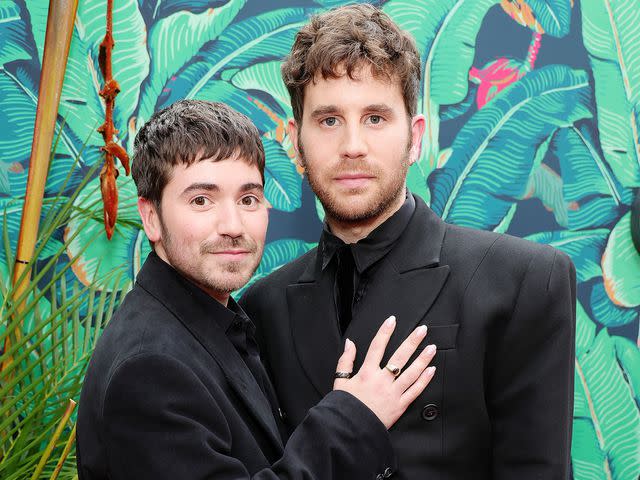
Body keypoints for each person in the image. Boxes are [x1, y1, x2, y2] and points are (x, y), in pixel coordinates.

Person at [240, 4, 577, 479]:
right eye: (329, 120)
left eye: (375, 118)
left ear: (415, 137)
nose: (352, 145)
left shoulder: (522, 282)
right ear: (296, 141)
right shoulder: (263, 308)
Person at [75, 100, 438, 480]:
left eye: (248, 199)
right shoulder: (149, 368)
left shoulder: (219, 321)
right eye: (202, 201)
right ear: (151, 218)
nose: (233, 225)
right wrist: (354, 415)